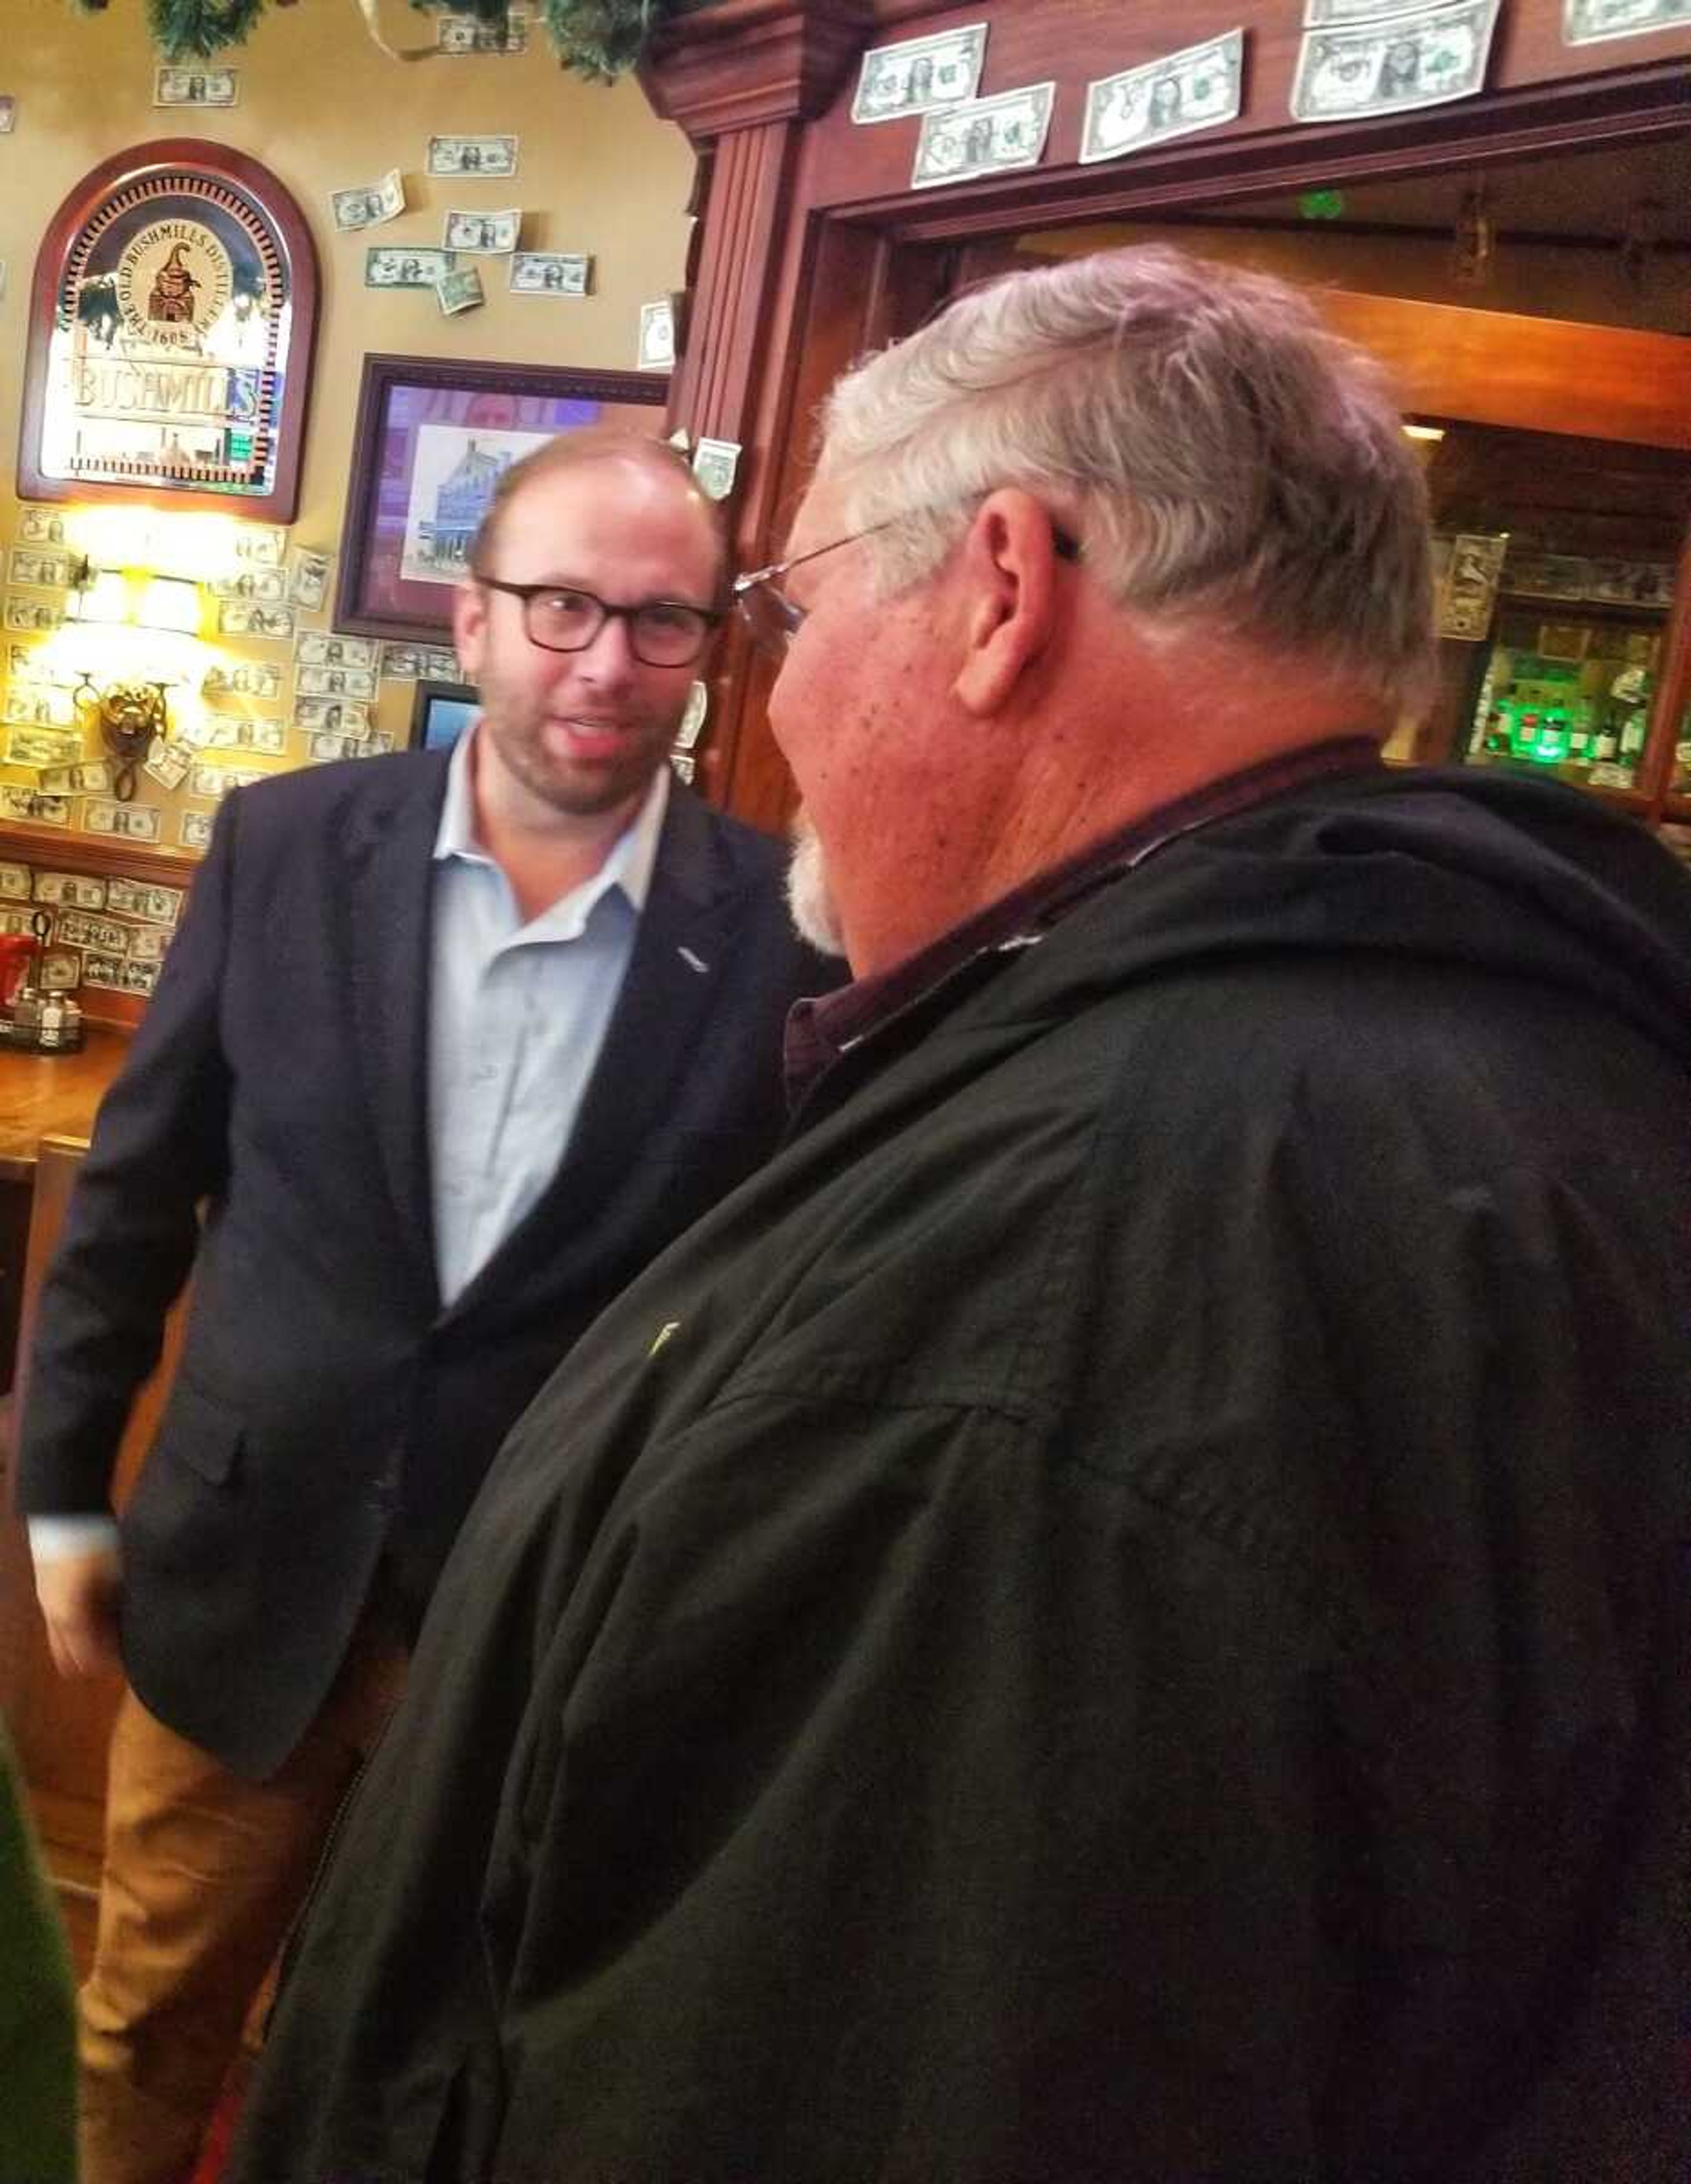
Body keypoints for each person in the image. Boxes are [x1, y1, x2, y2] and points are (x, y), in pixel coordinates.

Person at [231, 248, 1691, 2184]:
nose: (774, 682)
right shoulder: (1522, 1050)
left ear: (998, 590)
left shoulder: (1074, 1264)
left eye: (790, 607)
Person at [19, 429, 833, 2184]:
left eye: (662, 620)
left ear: (711, 651)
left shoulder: (784, 936)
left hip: (537, 1631)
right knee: (149, 2017)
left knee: (418, 2069)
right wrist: (65, 1488)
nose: (607, 661)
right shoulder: (285, 848)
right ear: (472, 623)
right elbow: (140, 1199)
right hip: (242, 1576)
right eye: (560, 607)